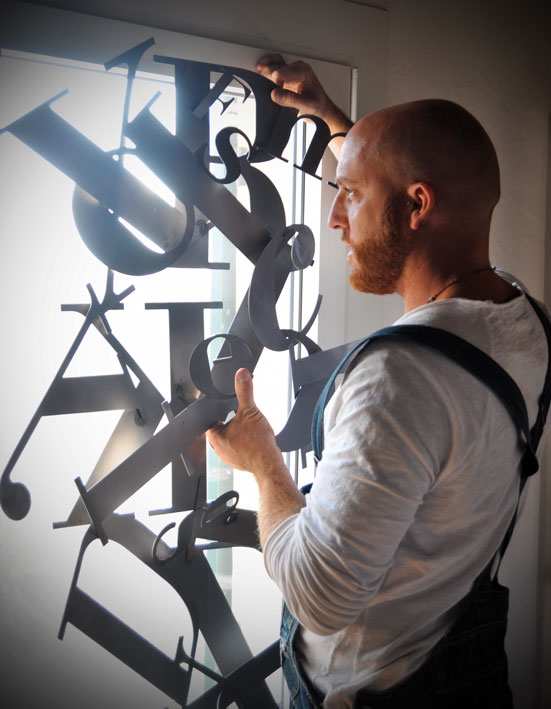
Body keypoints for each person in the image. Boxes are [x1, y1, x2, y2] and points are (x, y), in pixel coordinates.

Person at [207, 55, 550, 707]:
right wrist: (334, 122)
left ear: (418, 203)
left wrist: (262, 462)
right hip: (469, 673)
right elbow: (403, 179)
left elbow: (318, 596)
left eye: (351, 193)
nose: (335, 218)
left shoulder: (398, 378)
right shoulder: (523, 317)